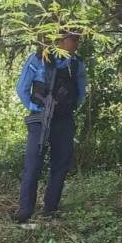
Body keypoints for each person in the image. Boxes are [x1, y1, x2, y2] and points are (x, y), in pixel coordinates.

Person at [13, 31, 87, 224]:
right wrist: (35, 107)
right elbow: (22, 88)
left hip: (64, 120)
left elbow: (81, 91)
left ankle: (50, 209)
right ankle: (25, 211)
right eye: (74, 39)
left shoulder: (76, 63)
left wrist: (67, 107)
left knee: (60, 165)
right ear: (62, 40)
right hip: (39, 118)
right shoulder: (39, 58)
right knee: (33, 165)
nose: (77, 43)